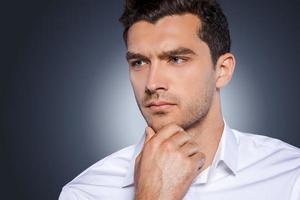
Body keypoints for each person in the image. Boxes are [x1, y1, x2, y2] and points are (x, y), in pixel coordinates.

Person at [59, 0, 300, 199]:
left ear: (222, 70)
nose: (152, 83)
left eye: (176, 59)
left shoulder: (290, 177)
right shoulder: (86, 192)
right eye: (139, 62)